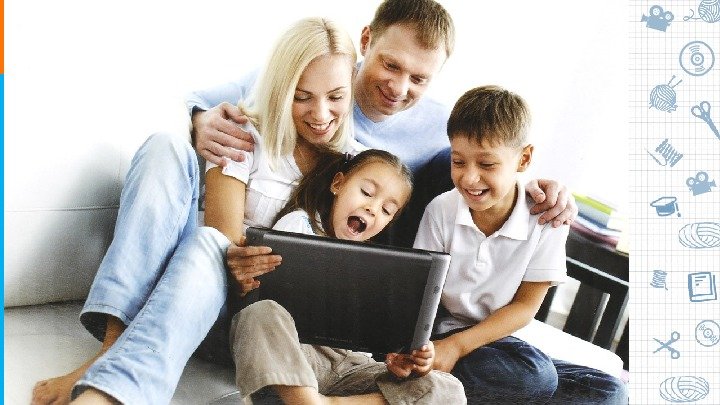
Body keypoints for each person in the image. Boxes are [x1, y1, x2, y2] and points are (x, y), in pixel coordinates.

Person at [33, 17, 362, 405]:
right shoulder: (243, 134)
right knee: (167, 151)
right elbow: (223, 243)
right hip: (194, 288)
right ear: (280, 90)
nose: (320, 114)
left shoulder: (357, 168)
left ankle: (110, 374)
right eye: (302, 97)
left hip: (256, 320)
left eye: (335, 97)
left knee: (213, 246)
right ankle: (112, 351)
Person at [187, 0, 578, 250]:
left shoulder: (439, 125)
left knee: (441, 172)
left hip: (360, 241)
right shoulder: (314, 74)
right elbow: (197, 100)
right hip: (273, 219)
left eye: (419, 78)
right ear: (366, 40)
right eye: (391, 65)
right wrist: (200, 119)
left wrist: (536, 187)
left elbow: (482, 162)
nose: (399, 88)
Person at [414, 85, 628, 404]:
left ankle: (449, 392)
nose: (469, 178)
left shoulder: (545, 218)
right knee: (535, 377)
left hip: (500, 342)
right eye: (458, 162)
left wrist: (458, 347)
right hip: (446, 334)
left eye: (487, 165)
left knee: (610, 392)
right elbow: (422, 295)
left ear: (524, 158)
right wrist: (441, 346)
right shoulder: (441, 210)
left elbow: (525, 307)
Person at [233, 149, 466, 404]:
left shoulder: (380, 266)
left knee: (447, 388)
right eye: (366, 192)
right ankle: (305, 400)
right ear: (338, 184)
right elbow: (266, 296)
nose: (372, 209)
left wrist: (402, 359)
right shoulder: (298, 225)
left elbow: (380, 340)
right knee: (260, 312)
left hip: (350, 366)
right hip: (296, 356)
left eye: (386, 210)